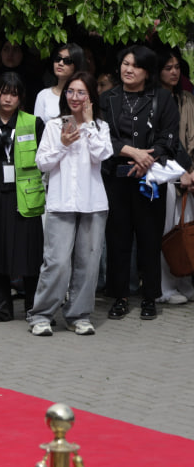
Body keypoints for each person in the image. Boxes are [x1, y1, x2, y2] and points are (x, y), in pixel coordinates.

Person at [98, 45, 180, 320]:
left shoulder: (162, 98)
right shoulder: (107, 98)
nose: (128, 69)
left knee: (149, 239)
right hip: (116, 179)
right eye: (124, 64)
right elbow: (101, 137)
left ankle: (150, 298)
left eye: (135, 66)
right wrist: (129, 152)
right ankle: (119, 296)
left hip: (151, 180)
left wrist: (147, 158)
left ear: (147, 72)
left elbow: (169, 138)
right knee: (118, 239)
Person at [28, 72, 112, 335]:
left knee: (89, 261)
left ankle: (78, 314)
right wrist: (63, 145)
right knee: (57, 261)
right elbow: (42, 162)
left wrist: (88, 125)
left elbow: (103, 155)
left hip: (93, 202)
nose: (75, 97)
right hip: (61, 202)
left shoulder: (100, 126)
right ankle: (41, 314)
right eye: (70, 92)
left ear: (91, 97)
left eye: (81, 92)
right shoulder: (55, 126)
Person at [0, 73, 47, 324]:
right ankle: (1, 309)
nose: (8, 98)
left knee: (30, 254)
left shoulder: (33, 123)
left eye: (14, 94)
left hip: (25, 196)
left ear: (20, 97)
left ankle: (34, 309)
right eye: (4, 92)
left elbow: (46, 160)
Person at [157, 47, 194, 304]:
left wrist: (192, 171)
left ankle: (184, 281)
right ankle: (166, 289)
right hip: (164, 174)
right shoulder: (153, 100)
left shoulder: (187, 100)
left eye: (177, 67)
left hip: (189, 175)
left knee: (186, 229)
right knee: (166, 231)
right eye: (168, 68)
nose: (173, 72)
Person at [34, 43, 85, 122]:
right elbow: (37, 129)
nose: (60, 63)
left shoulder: (83, 96)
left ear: (77, 65)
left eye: (67, 61)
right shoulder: (43, 95)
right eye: (58, 59)